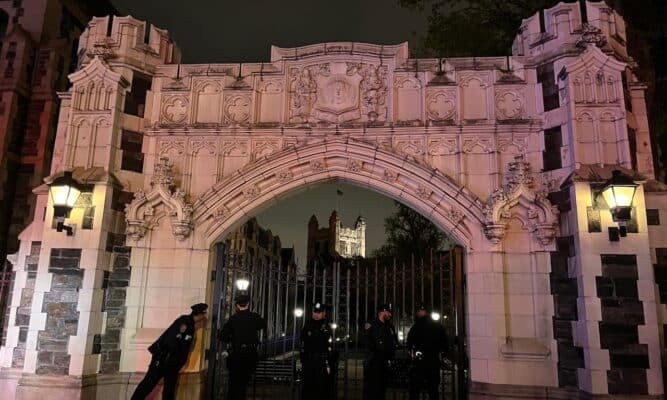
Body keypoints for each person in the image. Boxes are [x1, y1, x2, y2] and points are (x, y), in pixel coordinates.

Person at [131, 303, 208, 400]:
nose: (204, 317)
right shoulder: (184, 322)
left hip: (171, 363)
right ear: (199, 314)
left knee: (169, 389)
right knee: (148, 384)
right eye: (203, 314)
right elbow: (172, 340)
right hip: (164, 359)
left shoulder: (190, 324)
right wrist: (166, 357)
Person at [220, 294, 267, 400]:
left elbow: (223, 336)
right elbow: (263, 324)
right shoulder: (254, 317)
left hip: (236, 354)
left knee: (233, 383)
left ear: (237, 305)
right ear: (248, 304)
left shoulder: (233, 319)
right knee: (244, 383)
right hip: (250, 354)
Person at [407, 303, 449, 400]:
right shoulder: (438, 326)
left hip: (420, 361)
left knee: (415, 389)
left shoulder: (416, 326)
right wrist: (441, 355)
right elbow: (445, 345)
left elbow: (409, 342)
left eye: (419, 311)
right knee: (433, 389)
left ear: (421, 312)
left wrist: (412, 352)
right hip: (433, 361)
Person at [363, 303, 398, 400]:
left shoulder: (389, 326)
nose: (390, 315)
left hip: (385, 362)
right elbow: (368, 342)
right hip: (374, 362)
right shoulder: (371, 324)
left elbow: (394, 342)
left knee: (381, 389)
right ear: (383, 312)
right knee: (372, 390)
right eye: (389, 312)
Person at [300, 302, 333, 399]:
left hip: (321, 360)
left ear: (323, 313)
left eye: (319, 312)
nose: (316, 314)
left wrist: (313, 336)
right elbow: (303, 338)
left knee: (321, 386)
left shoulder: (327, 325)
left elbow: (324, 341)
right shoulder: (307, 323)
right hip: (308, 359)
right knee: (307, 386)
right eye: (315, 312)